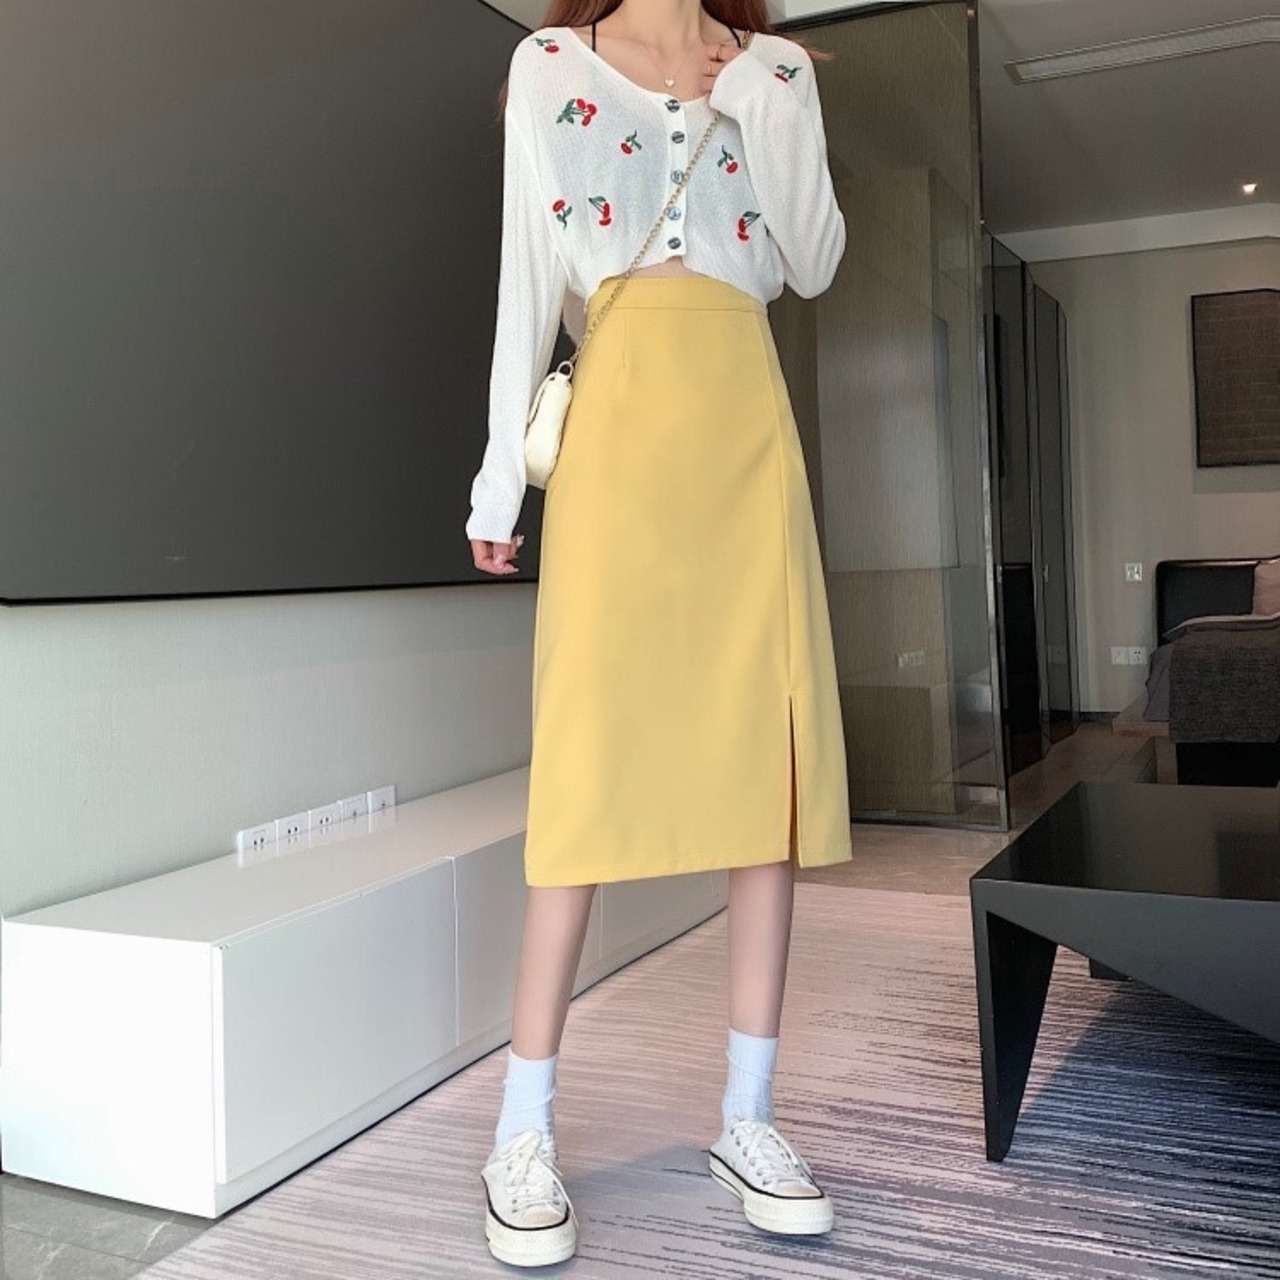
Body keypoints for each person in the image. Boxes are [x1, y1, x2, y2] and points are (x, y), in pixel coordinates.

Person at [464, 0, 852, 1266]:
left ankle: (749, 1115)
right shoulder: (547, 65)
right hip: (619, 430)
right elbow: (528, 279)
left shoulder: (775, 68)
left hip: (743, 425)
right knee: (582, 770)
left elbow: (812, 259)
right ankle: (521, 1128)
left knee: (760, 778)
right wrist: (498, 482)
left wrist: (751, 98)